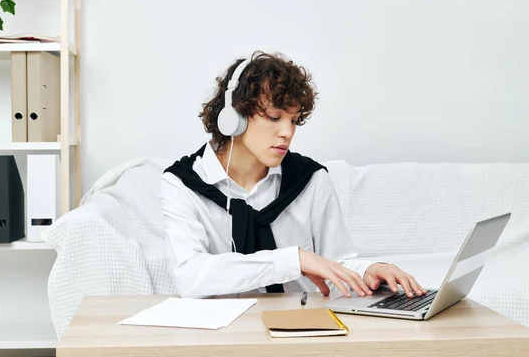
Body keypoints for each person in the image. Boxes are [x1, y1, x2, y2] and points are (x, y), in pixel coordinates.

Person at [160, 51, 427, 299]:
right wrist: (292, 260)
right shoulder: (182, 184)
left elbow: (335, 264)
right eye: (275, 117)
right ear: (234, 117)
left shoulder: (309, 179)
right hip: (219, 337)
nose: (287, 132)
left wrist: (369, 270)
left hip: (301, 332)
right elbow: (189, 275)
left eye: (294, 120)